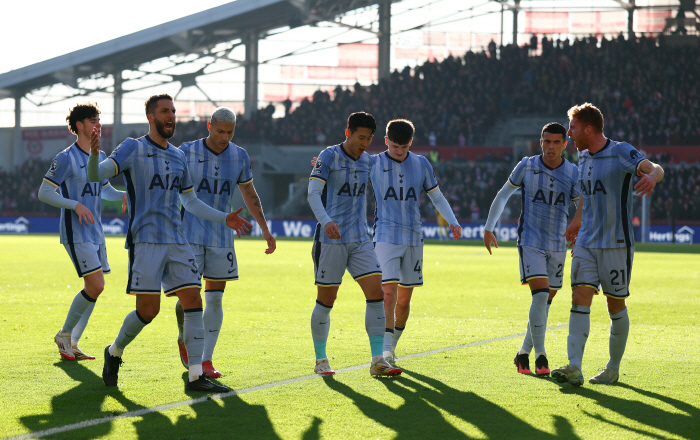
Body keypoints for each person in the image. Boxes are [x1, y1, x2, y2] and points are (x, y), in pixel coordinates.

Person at [87, 94, 252, 392]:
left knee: (194, 300)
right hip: (146, 241)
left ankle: (196, 375)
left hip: (177, 240)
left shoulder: (178, 156)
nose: (171, 116)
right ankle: (114, 351)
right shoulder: (132, 147)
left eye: (173, 111)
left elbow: (189, 200)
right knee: (147, 312)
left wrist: (223, 217)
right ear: (151, 117)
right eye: (165, 111)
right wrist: (94, 154)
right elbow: (97, 175)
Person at [552, 103, 664, 386]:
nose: (569, 133)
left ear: (589, 129)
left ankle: (612, 369)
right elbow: (586, 194)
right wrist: (577, 221)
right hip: (587, 241)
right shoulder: (584, 157)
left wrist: (651, 176)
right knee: (579, 297)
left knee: (615, 305)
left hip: (616, 243)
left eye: (573, 127)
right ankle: (574, 367)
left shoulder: (621, 151)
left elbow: (656, 168)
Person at [175, 107, 276, 379]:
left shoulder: (239, 155)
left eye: (230, 132)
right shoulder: (186, 151)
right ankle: (184, 337)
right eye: (220, 131)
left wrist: (265, 229)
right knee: (189, 297)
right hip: (189, 233)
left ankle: (206, 359)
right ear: (209, 126)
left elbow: (248, 192)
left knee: (215, 298)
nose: (224, 137)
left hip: (222, 235)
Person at [307, 112, 401, 377]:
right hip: (331, 240)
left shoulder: (369, 162)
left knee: (377, 294)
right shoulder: (328, 156)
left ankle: (378, 360)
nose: (365, 143)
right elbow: (313, 194)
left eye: (369, 138)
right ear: (347, 132)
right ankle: (321, 359)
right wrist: (326, 221)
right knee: (327, 300)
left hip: (360, 239)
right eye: (361, 137)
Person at [483, 122, 579, 376]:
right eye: (546, 141)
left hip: (558, 244)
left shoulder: (572, 173)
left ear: (564, 145)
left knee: (545, 301)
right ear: (541, 142)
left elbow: (583, 207)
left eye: (556, 142)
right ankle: (541, 356)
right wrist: (489, 226)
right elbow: (504, 194)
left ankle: (523, 353)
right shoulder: (526, 165)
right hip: (530, 241)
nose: (550, 147)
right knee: (540, 296)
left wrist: (579, 234)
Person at [39, 102, 127, 361]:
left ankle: (72, 343)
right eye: (93, 120)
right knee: (95, 284)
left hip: (96, 231)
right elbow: (44, 193)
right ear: (79, 125)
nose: (98, 124)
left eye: (99, 120)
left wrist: (120, 194)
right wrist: (74, 205)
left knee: (96, 287)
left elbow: (104, 189)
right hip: (75, 230)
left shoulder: (99, 154)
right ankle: (64, 334)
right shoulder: (65, 157)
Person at [370, 119, 461, 365]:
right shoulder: (373, 162)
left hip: (413, 237)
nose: (399, 151)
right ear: (386, 140)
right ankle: (385, 351)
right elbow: (347, 167)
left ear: (411, 142)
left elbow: (436, 196)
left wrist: (452, 221)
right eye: (395, 146)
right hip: (385, 235)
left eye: (404, 146)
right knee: (388, 293)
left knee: (404, 300)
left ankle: (393, 344)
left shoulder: (421, 164)